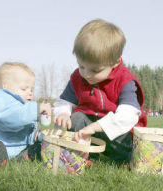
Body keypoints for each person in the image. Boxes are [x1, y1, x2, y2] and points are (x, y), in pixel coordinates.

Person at [53, 19, 147, 166]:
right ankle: (84, 154)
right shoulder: (78, 77)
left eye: (95, 70)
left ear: (115, 62)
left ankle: (125, 159)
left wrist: (97, 126)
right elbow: (65, 101)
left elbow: (128, 115)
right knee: (77, 118)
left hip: (117, 135)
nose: (87, 74)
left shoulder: (124, 80)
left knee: (124, 133)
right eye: (81, 66)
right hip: (88, 130)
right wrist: (63, 112)